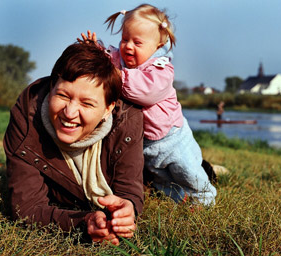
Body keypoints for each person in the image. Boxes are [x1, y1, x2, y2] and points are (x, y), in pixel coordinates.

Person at [3, 41, 144, 245]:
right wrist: (84, 222)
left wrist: (127, 209)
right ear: (52, 88)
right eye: (62, 95)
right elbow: (27, 208)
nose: (69, 113)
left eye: (87, 103)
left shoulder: (128, 121)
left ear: (108, 108)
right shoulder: (25, 118)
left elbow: (128, 190)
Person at [80, 4, 217, 205]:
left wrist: (118, 75)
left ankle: (204, 200)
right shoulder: (121, 61)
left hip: (172, 139)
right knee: (161, 178)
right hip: (146, 142)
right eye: (125, 39)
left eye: (137, 42)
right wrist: (95, 49)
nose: (128, 46)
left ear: (157, 47)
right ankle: (176, 199)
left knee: (188, 172)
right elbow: (107, 62)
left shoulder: (161, 70)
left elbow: (146, 92)